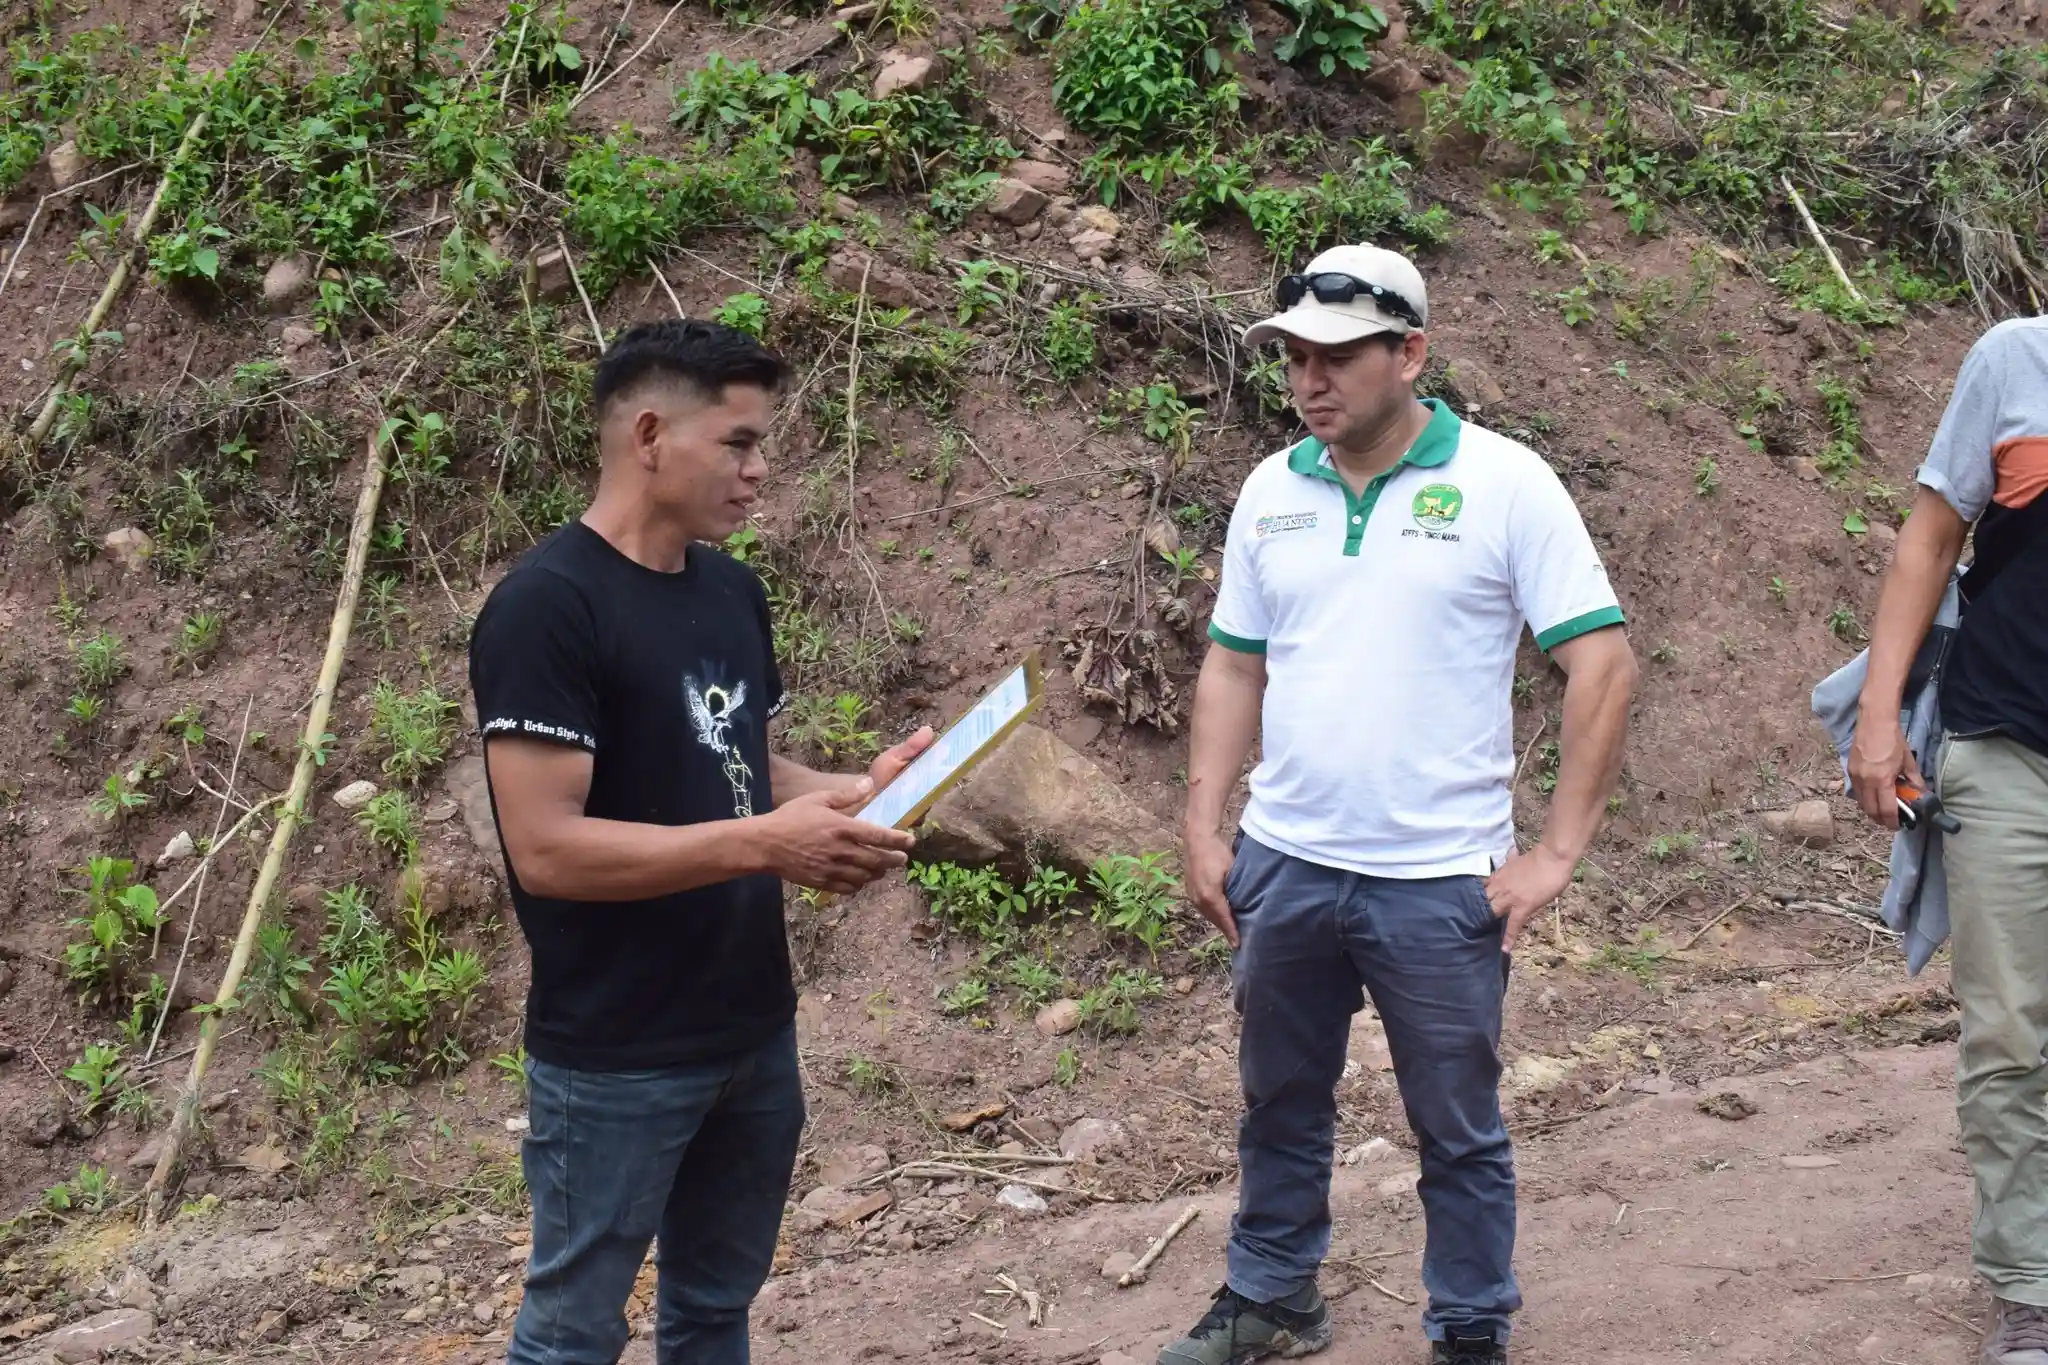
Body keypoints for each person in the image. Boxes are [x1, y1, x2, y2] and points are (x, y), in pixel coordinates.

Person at [1160, 246, 1637, 1365]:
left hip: (1437, 878)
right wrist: (1200, 822)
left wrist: (1557, 850)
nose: (1307, 380)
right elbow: (1233, 666)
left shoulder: (1504, 482)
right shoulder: (1272, 490)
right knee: (1278, 1098)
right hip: (1285, 862)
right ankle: (1272, 1295)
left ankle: (1468, 1325)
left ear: (1408, 352)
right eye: (1291, 358)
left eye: (1334, 356)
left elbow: (1601, 666)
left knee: (1455, 1125)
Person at [468, 319, 934, 1365]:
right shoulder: (546, 609)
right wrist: (763, 847)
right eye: (737, 443)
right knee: (572, 1330)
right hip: (616, 1055)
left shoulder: (728, 589)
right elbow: (546, 849)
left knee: (716, 1309)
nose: (759, 472)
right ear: (648, 436)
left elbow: (741, 771)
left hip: (750, 1029)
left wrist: (859, 789)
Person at [1847, 316, 2048, 1365]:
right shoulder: (2012, 360)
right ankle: (2029, 1285)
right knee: (2009, 1029)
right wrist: (1879, 715)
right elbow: (1929, 535)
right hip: (2008, 744)